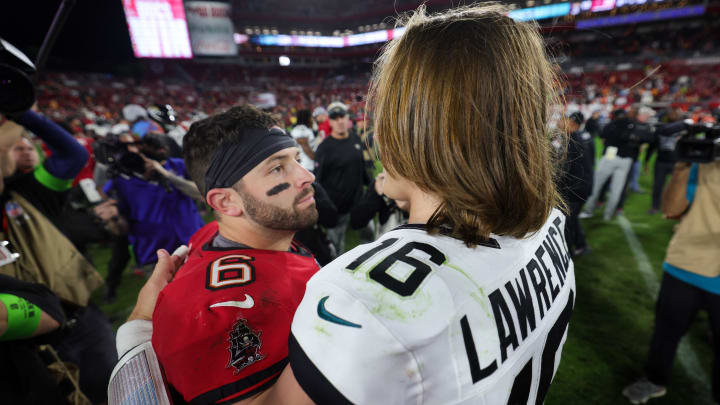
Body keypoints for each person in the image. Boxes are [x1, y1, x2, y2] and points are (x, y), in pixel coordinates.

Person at [116, 4, 576, 404]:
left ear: (416, 128)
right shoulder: (551, 225)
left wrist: (137, 330)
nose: (305, 175)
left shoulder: (362, 296)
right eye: (279, 167)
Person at [149, 105, 322, 404]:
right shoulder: (219, 314)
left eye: (296, 159)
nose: (306, 176)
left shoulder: (219, 237)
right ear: (227, 202)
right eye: (277, 167)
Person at [623, 157, 720, 404]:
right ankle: (655, 379)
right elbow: (671, 210)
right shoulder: (704, 161)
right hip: (686, 264)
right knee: (666, 331)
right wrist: (682, 168)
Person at [99, 132, 204, 275]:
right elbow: (122, 229)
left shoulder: (174, 165)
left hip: (194, 239)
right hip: (156, 253)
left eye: (132, 146)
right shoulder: (119, 182)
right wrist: (113, 220)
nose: (130, 152)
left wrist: (166, 175)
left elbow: (201, 193)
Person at [313, 101, 369, 255]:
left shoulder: (355, 139)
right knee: (336, 248)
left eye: (342, 117)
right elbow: (318, 181)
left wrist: (370, 186)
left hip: (359, 200)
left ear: (347, 119)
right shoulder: (324, 148)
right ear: (330, 122)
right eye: (335, 118)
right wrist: (325, 206)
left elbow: (361, 167)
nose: (340, 121)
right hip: (337, 205)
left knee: (370, 238)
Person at [580, 106, 655, 221]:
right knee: (617, 189)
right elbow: (649, 138)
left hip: (611, 155)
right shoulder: (635, 125)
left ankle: (589, 210)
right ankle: (608, 215)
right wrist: (634, 138)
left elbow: (602, 135)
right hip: (626, 159)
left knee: (596, 186)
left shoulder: (613, 124)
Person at [558, 112, 594, 256]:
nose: (559, 123)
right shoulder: (585, 137)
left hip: (575, 188)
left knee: (568, 223)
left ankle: (569, 254)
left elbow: (563, 169)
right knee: (573, 218)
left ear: (571, 123)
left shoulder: (571, 140)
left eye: (563, 120)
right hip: (585, 185)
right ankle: (581, 244)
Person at [644, 109, 684, 214]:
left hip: (675, 162)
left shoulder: (682, 131)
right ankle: (655, 206)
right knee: (658, 185)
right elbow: (652, 146)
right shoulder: (660, 129)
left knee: (676, 186)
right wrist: (646, 160)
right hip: (662, 161)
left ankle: (673, 207)